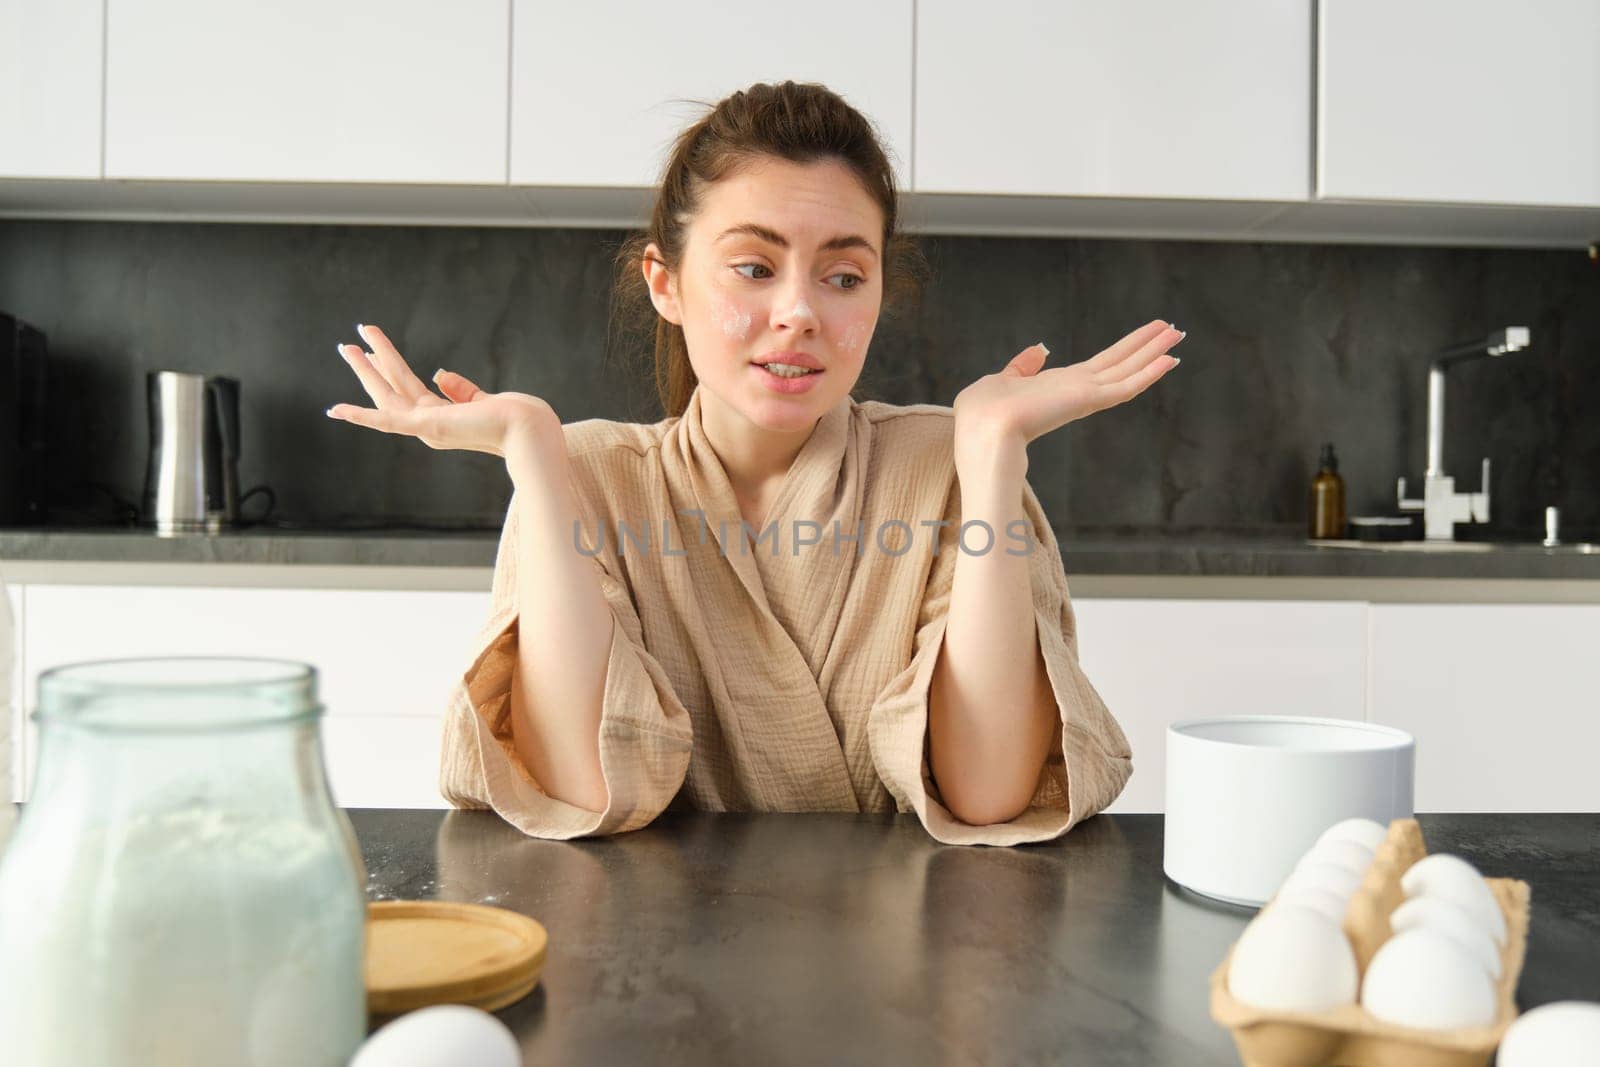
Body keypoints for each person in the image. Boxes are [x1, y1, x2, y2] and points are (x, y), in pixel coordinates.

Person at [326, 81, 1182, 846]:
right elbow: (577, 787)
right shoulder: (585, 473)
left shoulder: (951, 463)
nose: (799, 312)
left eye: (844, 276)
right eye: (753, 267)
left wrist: (994, 455)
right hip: (654, 970)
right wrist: (534, 455)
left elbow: (991, 793)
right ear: (666, 283)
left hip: (911, 966)